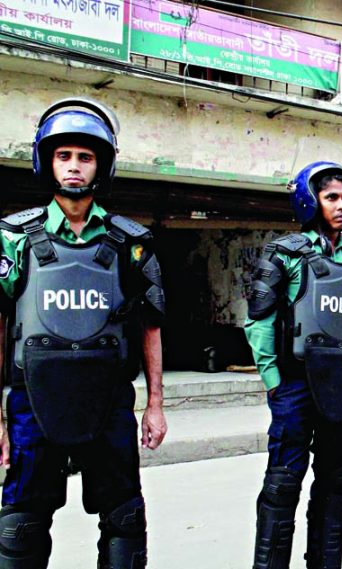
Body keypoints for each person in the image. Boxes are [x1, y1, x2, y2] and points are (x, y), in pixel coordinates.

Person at [0, 98, 167, 568]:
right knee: (20, 526)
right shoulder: (13, 238)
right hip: (32, 402)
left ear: (103, 165)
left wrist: (154, 404)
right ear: (46, 162)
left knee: (125, 522)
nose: (74, 167)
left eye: (86, 156)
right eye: (64, 155)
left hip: (110, 403)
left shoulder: (131, 243)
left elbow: (150, 325)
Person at [245, 162, 342, 569]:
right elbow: (259, 320)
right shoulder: (283, 254)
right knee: (283, 484)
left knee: (335, 481)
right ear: (310, 201)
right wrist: (273, 382)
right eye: (331, 197)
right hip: (296, 385)